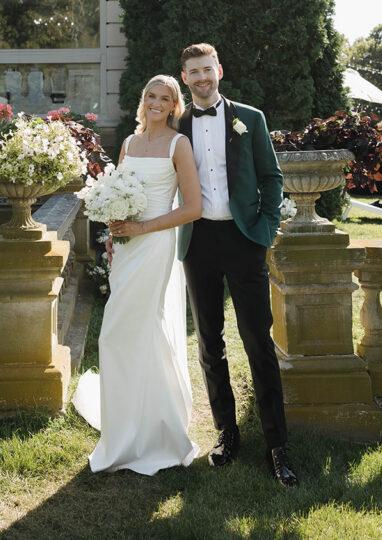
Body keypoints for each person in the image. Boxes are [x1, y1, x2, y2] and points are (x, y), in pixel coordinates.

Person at [177, 43, 298, 487]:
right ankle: (227, 433)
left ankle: (277, 445)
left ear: (220, 71)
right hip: (198, 242)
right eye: (194, 71)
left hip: (245, 239)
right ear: (185, 77)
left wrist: (264, 231)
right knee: (211, 343)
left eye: (208, 69)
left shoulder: (252, 117)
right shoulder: (178, 125)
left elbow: (272, 177)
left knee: (257, 341)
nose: (202, 77)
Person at [72, 74, 203, 474]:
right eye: (151, 96)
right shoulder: (129, 143)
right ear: (142, 100)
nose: (157, 103)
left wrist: (143, 228)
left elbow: (193, 207)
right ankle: (129, 420)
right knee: (125, 330)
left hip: (155, 244)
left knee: (130, 328)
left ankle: (156, 429)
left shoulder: (179, 145)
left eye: (165, 98)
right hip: (125, 246)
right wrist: (115, 226)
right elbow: (122, 188)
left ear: (175, 106)